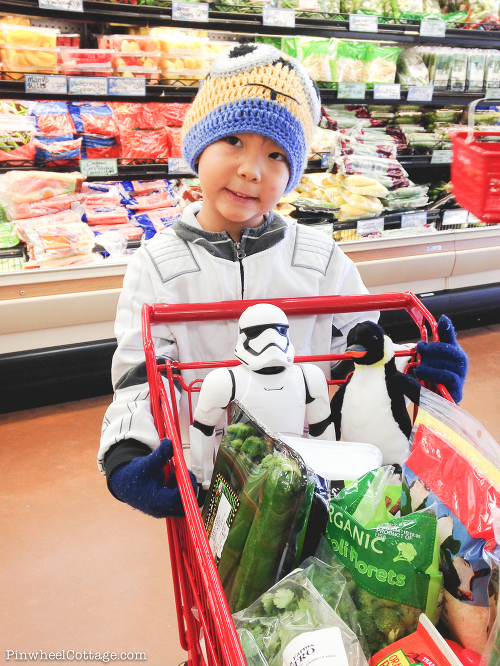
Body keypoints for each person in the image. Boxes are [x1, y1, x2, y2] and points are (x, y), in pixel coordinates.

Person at [98, 43, 468, 518]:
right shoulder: (157, 264)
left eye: (275, 154)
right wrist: (125, 455)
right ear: (198, 143)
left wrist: (416, 377)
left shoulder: (320, 260)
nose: (251, 170)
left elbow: (359, 355)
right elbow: (137, 376)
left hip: (314, 472)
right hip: (208, 474)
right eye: (233, 141)